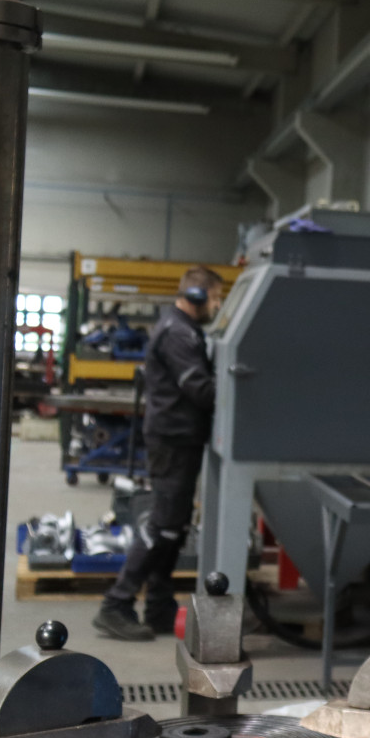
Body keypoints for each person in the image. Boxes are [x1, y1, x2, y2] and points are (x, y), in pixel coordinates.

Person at [93, 266, 224, 641]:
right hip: (173, 438)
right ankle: (115, 605)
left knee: (175, 528)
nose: (217, 306)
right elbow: (201, 390)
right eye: (215, 298)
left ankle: (159, 607)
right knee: (162, 524)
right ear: (197, 298)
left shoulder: (182, 328)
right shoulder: (178, 333)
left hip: (181, 436)